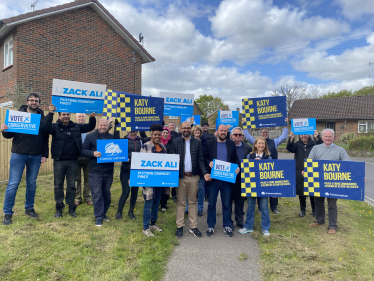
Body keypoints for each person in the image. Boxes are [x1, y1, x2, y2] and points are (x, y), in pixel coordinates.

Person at [1, 94, 50, 225]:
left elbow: (45, 138)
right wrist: (4, 130)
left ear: (39, 103)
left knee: (32, 183)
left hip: (36, 155)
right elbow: (9, 135)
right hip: (19, 154)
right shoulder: (18, 116)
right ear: (27, 101)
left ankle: (29, 209)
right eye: (32, 100)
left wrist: (45, 154)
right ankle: (7, 213)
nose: (34, 102)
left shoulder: (42, 118)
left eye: (36, 101)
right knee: (13, 183)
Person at [44, 106, 96, 218]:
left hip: (73, 161)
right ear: (59, 116)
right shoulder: (54, 126)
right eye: (63, 114)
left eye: (68, 114)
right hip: (59, 161)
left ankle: (71, 208)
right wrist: (50, 113)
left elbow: (89, 126)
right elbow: (46, 128)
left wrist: (92, 118)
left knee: (71, 185)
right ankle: (59, 208)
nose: (66, 116)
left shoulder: (76, 126)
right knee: (58, 185)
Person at [306, 129, 353, 234]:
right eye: (326, 136)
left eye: (330, 136)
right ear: (322, 138)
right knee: (318, 202)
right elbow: (309, 162)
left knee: (332, 205)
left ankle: (332, 226)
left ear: (333, 137)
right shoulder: (315, 148)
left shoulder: (340, 150)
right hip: (318, 181)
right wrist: (306, 172)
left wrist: (357, 177)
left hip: (333, 183)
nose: (327, 138)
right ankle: (319, 220)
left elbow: (349, 165)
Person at [170, 121, 210, 238]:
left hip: (193, 177)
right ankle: (179, 226)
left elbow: (201, 161)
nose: (186, 130)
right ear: (181, 129)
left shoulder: (197, 142)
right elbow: (170, 159)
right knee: (181, 203)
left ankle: (193, 226)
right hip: (181, 178)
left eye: (188, 128)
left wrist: (205, 173)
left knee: (192, 203)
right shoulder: (175, 142)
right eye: (184, 128)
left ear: (190, 129)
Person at [243, 118, 288, 214]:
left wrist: (285, 125)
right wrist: (245, 126)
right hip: (259, 172)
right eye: (263, 132)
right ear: (260, 134)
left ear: (268, 133)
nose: (265, 133)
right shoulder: (256, 142)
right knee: (260, 189)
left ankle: (274, 207)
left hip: (272, 169)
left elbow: (284, 137)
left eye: (266, 132)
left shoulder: (275, 142)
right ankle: (260, 207)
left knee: (273, 189)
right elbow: (247, 137)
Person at [204, 124, 240, 237]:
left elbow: (235, 158)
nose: (223, 132)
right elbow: (204, 157)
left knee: (226, 204)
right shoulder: (210, 143)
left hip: (226, 179)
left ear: (227, 132)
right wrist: (208, 162)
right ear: (217, 132)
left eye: (225, 131)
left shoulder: (231, 143)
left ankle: (227, 225)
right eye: (221, 130)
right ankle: (210, 225)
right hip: (214, 178)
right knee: (211, 204)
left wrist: (238, 167)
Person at [81, 119, 114, 226]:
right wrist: (92, 153)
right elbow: (83, 151)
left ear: (107, 126)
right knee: (97, 195)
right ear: (98, 125)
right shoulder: (90, 136)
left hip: (108, 171)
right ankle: (98, 217)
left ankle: (104, 212)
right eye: (101, 125)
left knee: (106, 194)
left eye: (105, 125)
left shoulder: (112, 137)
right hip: (95, 171)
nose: (103, 127)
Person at [239, 137, 272, 236]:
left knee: (264, 207)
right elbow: (245, 170)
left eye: (263, 143)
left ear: (265, 145)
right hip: (251, 185)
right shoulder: (250, 156)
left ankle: (265, 228)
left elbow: (271, 174)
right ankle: (248, 226)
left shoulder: (268, 157)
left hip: (263, 186)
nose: (261, 145)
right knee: (250, 207)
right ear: (255, 145)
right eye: (259, 143)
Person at [286, 130, 322, 217]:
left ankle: (314, 210)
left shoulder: (314, 144)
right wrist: (291, 138)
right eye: (301, 134)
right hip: (299, 171)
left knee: (312, 193)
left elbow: (321, 146)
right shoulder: (297, 144)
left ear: (309, 136)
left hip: (312, 171)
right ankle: (303, 209)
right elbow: (289, 148)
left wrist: (317, 137)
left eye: (305, 134)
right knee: (301, 192)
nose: (303, 136)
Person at [141, 123, 167, 237]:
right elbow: (139, 164)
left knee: (156, 203)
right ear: (151, 134)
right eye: (155, 134)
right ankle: (145, 228)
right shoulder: (145, 146)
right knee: (148, 204)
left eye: (159, 134)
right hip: (149, 180)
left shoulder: (163, 146)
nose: (157, 136)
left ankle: (153, 223)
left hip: (160, 180)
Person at [114, 126, 142, 221]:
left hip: (136, 170)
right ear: (127, 132)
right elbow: (116, 142)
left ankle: (131, 212)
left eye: (134, 131)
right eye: (130, 131)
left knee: (134, 192)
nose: (132, 133)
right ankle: (119, 212)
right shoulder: (123, 141)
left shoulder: (141, 141)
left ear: (137, 131)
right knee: (126, 191)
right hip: (125, 169)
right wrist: (116, 127)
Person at [230, 127, 252, 228]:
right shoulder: (227, 145)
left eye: (240, 135)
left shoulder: (247, 147)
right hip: (229, 177)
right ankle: (228, 220)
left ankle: (239, 220)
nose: (238, 137)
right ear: (231, 136)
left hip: (242, 177)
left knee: (240, 200)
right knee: (228, 200)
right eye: (236, 135)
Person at [74, 113, 93, 206]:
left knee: (88, 179)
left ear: (85, 118)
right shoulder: (72, 128)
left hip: (88, 158)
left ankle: (87, 197)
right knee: (76, 179)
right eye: (79, 116)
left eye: (83, 116)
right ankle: (78, 198)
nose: (81, 118)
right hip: (76, 158)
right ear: (76, 118)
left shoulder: (90, 130)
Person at [159, 126, 174, 213]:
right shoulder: (157, 142)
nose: (165, 134)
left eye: (166, 133)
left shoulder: (172, 143)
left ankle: (164, 204)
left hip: (168, 168)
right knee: (159, 187)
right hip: (158, 168)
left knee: (166, 188)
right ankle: (159, 203)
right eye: (163, 133)